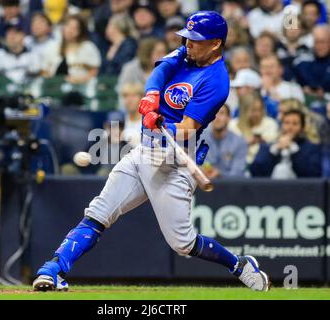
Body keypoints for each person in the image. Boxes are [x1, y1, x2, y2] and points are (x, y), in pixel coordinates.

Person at [32, 11, 270, 292]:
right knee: (98, 212)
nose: (187, 43)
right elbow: (160, 72)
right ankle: (53, 269)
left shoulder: (216, 81)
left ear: (215, 43)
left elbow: (188, 128)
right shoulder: (186, 52)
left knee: (183, 243)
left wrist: (161, 122)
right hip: (144, 150)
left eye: (195, 40)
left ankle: (239, 264)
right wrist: (152, 96)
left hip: (174, 161)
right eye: (187, 38)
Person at [250, 109, 322, 178]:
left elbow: (313, 173)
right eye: (286, 123)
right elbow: (255, 172)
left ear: (302, 127)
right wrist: (272, 152)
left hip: (299, 188)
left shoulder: (310, 147)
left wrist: (295, 152)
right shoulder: (268, 147)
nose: (290, 127)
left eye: (295, 124)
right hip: (270, 188)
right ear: (282, 125)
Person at [45, 14, 101, 85]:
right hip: (55, 87)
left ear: (80, 31)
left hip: (80, 89)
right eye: (68, 26)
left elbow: (94, 71)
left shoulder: (88, 47)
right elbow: (45, 70)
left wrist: (81, 80)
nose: (70, 30)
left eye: (75, 28)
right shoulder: (54, 46)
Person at [228, 91, 279, 164]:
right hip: (237, 163)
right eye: (253, 110)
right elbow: (228, 150)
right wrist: (245, 143)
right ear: (244, 111)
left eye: (260, 109)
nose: (257, 113)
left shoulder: (271, 123)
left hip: (263, 165)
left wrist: (261, 140)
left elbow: (273, 146)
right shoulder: (232, 125)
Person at [203, 104, 248, 178]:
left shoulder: (239, 142)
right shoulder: (199, 139)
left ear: (229, 118)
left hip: (229, 186)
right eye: (214, 113)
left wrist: (219, 174)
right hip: (201, 183)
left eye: (221, 113)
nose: (217, 117)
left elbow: (238, 173)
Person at [293, 25, 330, 98]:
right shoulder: (303, 59)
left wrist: (322, 90)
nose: (319, 46)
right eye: (316, 42)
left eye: (322, 42)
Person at [119, 82, 144, 148]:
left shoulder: (149, 122)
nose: (129, 100)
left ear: (142, 98)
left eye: (133, 95)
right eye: (125, 96)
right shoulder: (120, 121)